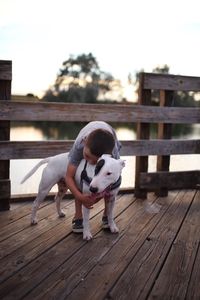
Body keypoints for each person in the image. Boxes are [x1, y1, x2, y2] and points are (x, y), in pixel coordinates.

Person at [65, 121, 121, 233]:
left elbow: (114, 179)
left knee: (107, 178)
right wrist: (80, 196)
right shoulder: (80, 145)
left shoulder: (113, 153)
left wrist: (96, 197)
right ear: (84, 143)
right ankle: (78, 215)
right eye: (87, 156)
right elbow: (69, 177)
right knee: (78, 176)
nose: (90, 162)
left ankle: (106, 214)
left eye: (96, 161)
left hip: (110, 135)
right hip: (87, 135)